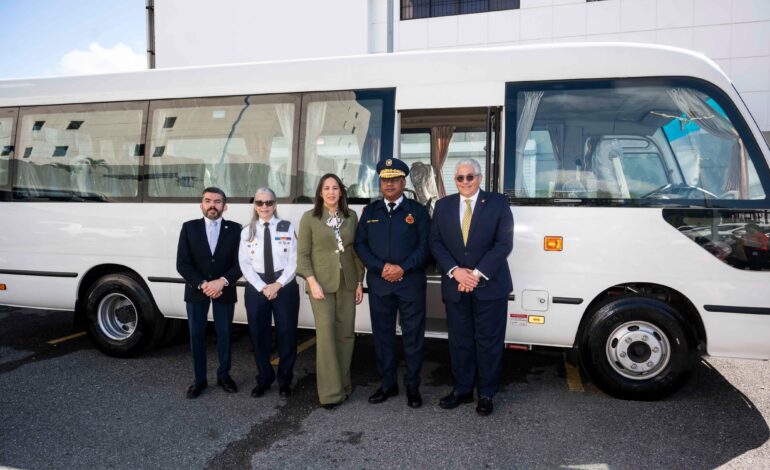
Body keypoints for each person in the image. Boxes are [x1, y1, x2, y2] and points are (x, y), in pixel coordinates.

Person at [429, 159, 513, 416]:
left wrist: (474, 275)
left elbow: (503, 244)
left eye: (470, 177)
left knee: (489, 342)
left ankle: (486, 393)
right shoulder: (443, 206)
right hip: (456, 286)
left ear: (480, 178)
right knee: (460, 341)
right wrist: (456, 272)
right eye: (459, 178)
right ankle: (462, 390)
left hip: (489, 286)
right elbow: (435, 243)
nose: (465, 182)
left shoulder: (498, 203)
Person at [355, 157, 430, 408]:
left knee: (412, 337)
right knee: (383, 337)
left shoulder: (417, 211)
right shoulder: (370, 212)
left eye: (394, 179)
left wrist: (403, 268)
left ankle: (412, 386)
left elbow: (425, 247)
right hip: (380, 284)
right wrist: (381, 268)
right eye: (385, 179)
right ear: (380, 182)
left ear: (403, 181)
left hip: (410, 284)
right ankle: (388, 383)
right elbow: (360, 245)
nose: (389, 184)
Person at [297, 173, 364, 409]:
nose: (331, 192)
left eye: (335, 188)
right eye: (326, 188)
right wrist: (312, 282)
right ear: (320, 192)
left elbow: (355, 252)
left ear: (341, 192)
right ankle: (330, 394)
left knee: (346, 335)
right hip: (321, 286)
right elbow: (303, 257)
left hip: (347, 283)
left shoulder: (351, 216)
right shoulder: (310, 218)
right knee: (326, 338)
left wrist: (359, 283)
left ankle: (344, 385)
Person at [176, 187, 242, 399]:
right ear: (201, 204)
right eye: (208, 201)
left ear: (225, 206)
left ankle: (224, 376)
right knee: (196, 335)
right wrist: (203, 284)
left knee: (224, 334)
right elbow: (182, 264)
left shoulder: (235, 229)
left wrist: (221, 282)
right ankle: (199, 380)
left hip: (224, 290)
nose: (212, 205)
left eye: (217, 201)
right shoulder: (189, 228)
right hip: (197, 291)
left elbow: (240, 263)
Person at [239, 187, 300, 399]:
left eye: (268, 202)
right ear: (255, 205)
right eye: (259, 203)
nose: (264, 207)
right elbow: (244, 264)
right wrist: (261, 286)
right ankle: (264, 378)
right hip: (257, 286)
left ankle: (285, 381)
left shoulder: (286, 227)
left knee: (287, 334)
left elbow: (294, 261)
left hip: (284, 285)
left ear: (275, 204)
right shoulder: (247, 231)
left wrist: (278, 284)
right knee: (259, 336)